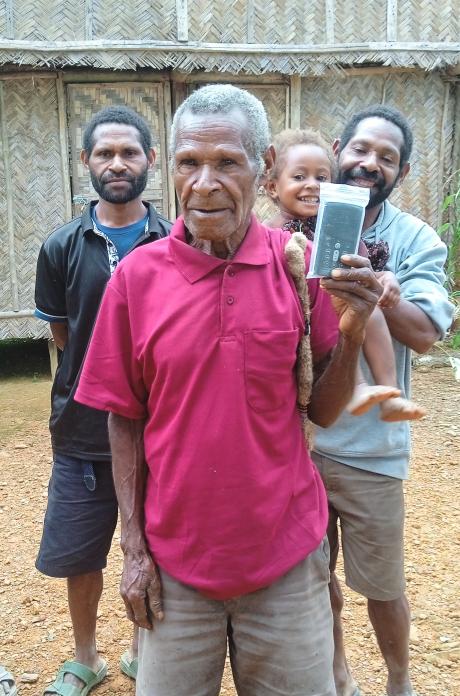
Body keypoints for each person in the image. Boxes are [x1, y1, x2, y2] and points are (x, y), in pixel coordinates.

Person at [74, 84, 384, 696]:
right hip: (176, 565)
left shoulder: (299, 267)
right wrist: (134, 551)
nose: (205, 183)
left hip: (287, 559)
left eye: (227, 163)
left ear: (263, 165)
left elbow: (321, 408)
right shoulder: (137, 278)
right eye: (190, 163)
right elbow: (124, 419)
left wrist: (351, 336)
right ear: (173, 167)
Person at [310, 106, 453, 696]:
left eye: (386, 158)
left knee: (383, 585)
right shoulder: (299, 219)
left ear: (403, 170)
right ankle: (339, 675)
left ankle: (399, 680)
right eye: (362, 149)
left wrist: (384, 293)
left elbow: (425, 333)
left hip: (371, 450)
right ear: (340, 148)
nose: (370, 164)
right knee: (314, 580)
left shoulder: (415, 239)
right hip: (300, 445)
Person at [34, 105, 171, 696]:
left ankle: (145, 647)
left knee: (156, 542)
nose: (117, 164)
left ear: (151, 161)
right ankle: (85, 655)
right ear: (86, 162)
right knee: (81, 551)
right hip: (84, 429)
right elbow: (64, 334)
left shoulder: (175, 240)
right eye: (104, 154)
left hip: (163, 428)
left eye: (129, 152)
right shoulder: (61, 246)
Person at [265, 127, 425, 422]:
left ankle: (389, 392)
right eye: (299, 177)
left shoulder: (337, 226)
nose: (312, 185)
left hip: (340, 300)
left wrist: (385, 280)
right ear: (273, 187)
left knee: (370, 309)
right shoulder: (270, 234)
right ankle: (358, 387)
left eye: (321, 178)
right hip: (304, 318)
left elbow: (366, 270)